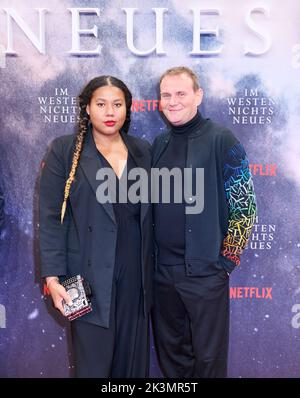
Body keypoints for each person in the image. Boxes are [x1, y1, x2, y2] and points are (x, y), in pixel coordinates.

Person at [39, 76, 154, 378]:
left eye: (117, 104)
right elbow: (50, 217)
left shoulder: (143, 151)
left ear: (127, 109)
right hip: (86, 276)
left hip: (136, 274)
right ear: (88, 108)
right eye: (101, 104)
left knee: (132, 366)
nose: (110, 112)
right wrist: (52, 278)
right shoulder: (65, 151)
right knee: (93, 366)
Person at [151, 66, 257, 378]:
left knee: (209, 363)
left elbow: (245, 205)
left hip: (205, 273)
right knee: (173, 360)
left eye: (181, 93)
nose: (172, 101)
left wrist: (227, 261)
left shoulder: (222, 139)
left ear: (198, 95)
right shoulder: (159, 144)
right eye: (166, 95)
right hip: (162, 275)